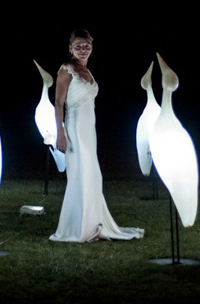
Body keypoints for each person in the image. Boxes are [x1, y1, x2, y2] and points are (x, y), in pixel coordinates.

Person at [49, 29, 144, 242]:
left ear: (92, 47)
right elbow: (58, 103)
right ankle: (78, 226)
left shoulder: (88, 71)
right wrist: (60, 132)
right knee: (80, 174)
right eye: (78, 46)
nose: (83, 50)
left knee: (92, 174)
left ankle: (94, 221)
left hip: (89, 131)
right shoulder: (66, 70)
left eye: (87, 46)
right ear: (70, 48)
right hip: (74, 129)